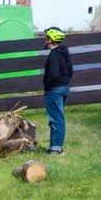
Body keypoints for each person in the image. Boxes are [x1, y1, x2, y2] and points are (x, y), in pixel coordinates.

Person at [42, 26, 74, 155]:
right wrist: (64, 83)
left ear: (51, 40)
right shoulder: (64, 52)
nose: (45, 40)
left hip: (54, 90)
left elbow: (53, 74)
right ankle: (54, 146)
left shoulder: (54, 55)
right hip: (63, 88)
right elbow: (71, 71)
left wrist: (47, 87)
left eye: (46, 38)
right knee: (57, 117)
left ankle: (56, 148)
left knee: (56, 119)